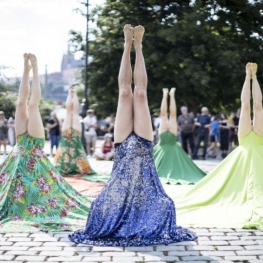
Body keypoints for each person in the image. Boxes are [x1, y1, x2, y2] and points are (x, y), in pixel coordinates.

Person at [68, 24, 197, 246]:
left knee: (140, 92)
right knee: (125, 92)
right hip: (123, 151)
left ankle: (139, 46)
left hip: (143, 152)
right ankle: (127, 45)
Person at [0, 53, 90, 232]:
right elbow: (20, 102)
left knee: (32, 105)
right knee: (20, 103)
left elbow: (33, 104)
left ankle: (36, 68)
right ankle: (27, 69)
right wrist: (26, 70)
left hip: (33, 147)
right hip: (20, 147)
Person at [173, 63, 263, 229]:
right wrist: (247, 77)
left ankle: (254, 77)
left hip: (259, 144)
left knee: (258, 106)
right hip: (245, 144)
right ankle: (247, 76)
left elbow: (258, 103)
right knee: (245, 107)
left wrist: (255, 78)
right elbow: (245, 106)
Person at [154, 88, 206, 184]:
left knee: (166, 115)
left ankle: (168, 95)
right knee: (167, 115)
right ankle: (168, 95)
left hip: (166, 141)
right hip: (165, 141)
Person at [54, 86, 97, 176]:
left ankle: (71, 93)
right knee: (73, 112)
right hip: (72, 136)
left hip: (67, 136)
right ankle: (73, 93)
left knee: (70, 112)